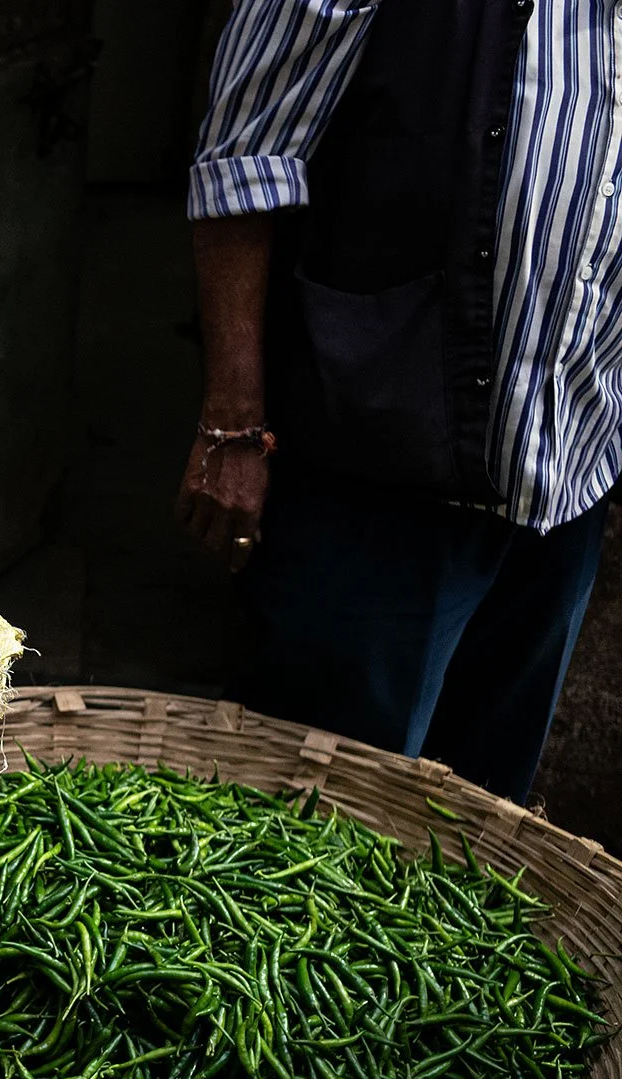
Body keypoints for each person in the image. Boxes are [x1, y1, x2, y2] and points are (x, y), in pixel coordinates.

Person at [175, 0, 617, 802]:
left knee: (477, 833)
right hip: (376, 481)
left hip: (569, 480)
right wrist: (232, 426)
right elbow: (243, 161)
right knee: (314, 830)